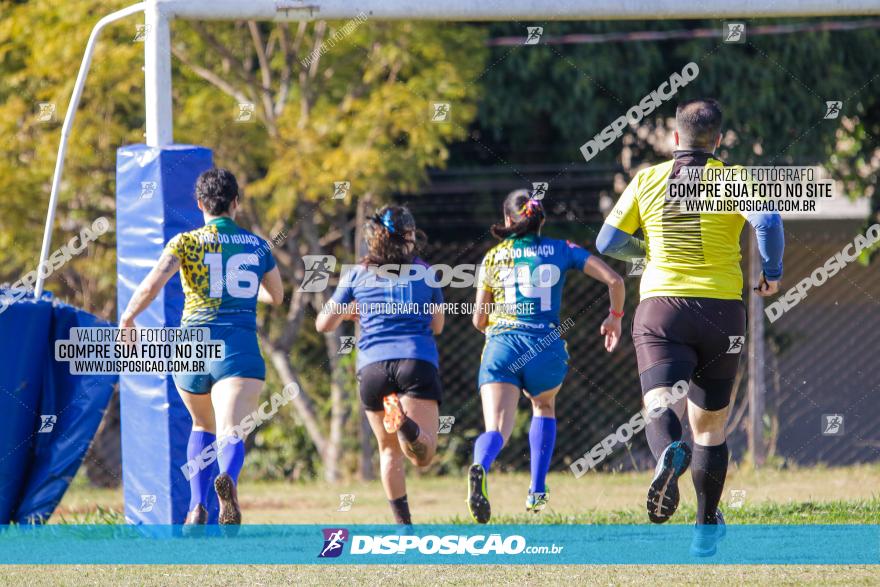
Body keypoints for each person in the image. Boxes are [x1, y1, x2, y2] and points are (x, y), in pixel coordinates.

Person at [596, 98, 784, 556]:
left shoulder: (647, 179)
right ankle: (704, 527)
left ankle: (666, 455)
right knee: (711, 427)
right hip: (722, 312)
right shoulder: (733, 178)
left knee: (660, 402)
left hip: (662, 307)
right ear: (717, 141)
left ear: (676, 139)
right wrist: (772, 272)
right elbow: (770, 221)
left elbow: (607, 241)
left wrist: (648, 254)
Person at [120, 168, 284, 525]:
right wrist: (240, 291)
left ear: (199, 204)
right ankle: (229, 483)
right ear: (236, 203)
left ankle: (197, 505)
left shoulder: (185, 242)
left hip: (191, 347)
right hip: (236, 347)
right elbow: (277, 295)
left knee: (201, 425)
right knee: (231, 429)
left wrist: (128, 318)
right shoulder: (257, 246)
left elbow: (153, 282)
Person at [467, 190, 625, 524]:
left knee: (496, 427)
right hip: (545, 347)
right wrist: (615, 316)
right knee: (544, 406)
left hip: (502, 346)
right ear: (541, 220)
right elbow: (615, 279)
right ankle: (536, 491)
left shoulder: (493, 257)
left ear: (509, 221)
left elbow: (479, 320)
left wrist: (502, 328)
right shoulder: (562, 249)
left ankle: (481, 465)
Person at [316, 205, 444, 525]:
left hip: (372, 369)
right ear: (410, 236)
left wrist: (352, 311)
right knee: (423, 456)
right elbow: (438, 326)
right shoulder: (426, 271)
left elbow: (323, 323)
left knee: (389, 453)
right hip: (415, 361)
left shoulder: (357, 273)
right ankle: (407, 427)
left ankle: (404, 528)